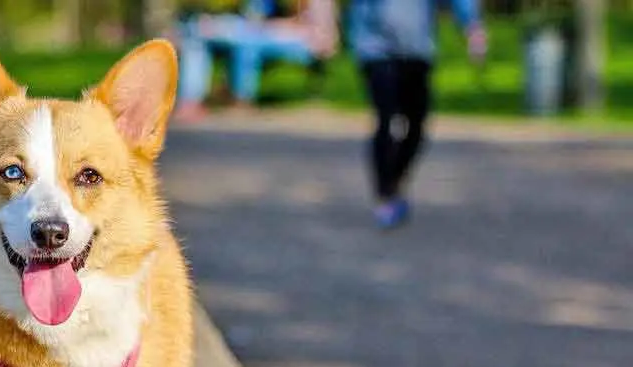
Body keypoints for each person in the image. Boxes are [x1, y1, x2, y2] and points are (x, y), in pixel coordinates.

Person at [349, 0, 488, 229]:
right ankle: (385, 195)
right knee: (385, 119)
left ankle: (395, 182)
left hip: (417, 49)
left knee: (417, 126)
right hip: (376, 48)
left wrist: (472, 27)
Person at [173, 0, 338, 119]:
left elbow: (317, 29)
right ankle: (190, 102)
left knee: (247, 43)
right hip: (262, 32)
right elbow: (253, 17)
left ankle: (241, 100)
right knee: (197, 34)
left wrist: (264, 27)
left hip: (306, 41)